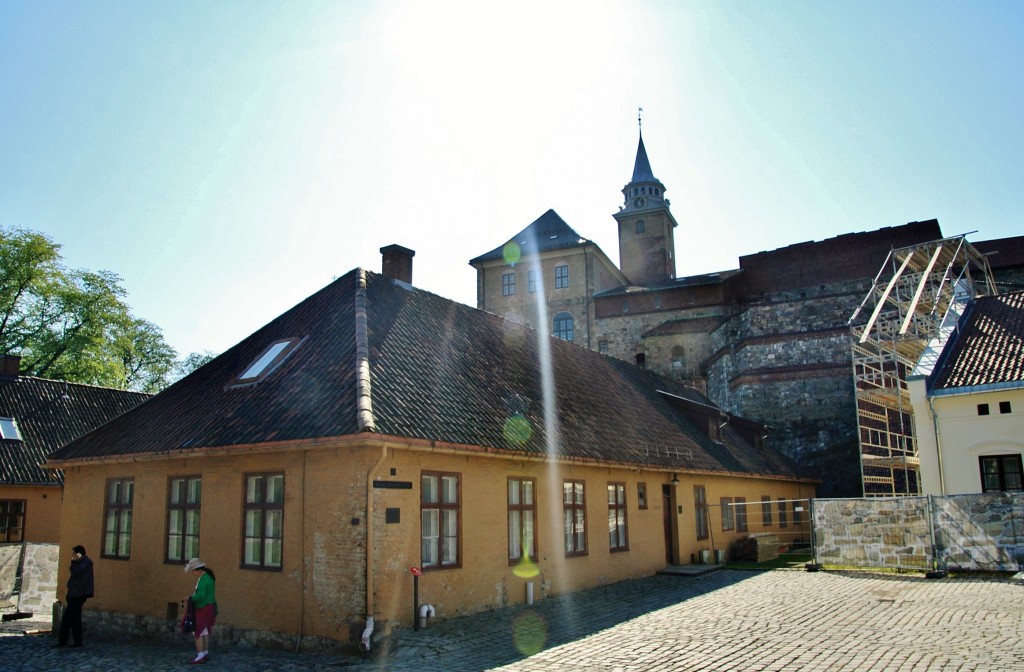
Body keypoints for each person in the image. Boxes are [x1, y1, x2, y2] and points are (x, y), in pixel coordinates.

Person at [57, 544, 94, 647]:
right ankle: (77, 642)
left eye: (74, 554)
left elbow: (75, 572)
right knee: (75, 619)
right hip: (76, 594)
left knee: (67, 619)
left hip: (78, 595)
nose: (72, 556)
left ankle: (63, 641)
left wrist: (73, 562)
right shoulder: (83, 562)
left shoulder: (85, 563)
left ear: (79, 554)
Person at [184, 557, 217, 664]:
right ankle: (205, 652)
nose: (192, 573)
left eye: (192, 570)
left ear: (197, 570)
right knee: (205, 631)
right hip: (209, 606)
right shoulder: (208, 577)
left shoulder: (203, 580)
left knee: (198, 631)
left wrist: (190, 598)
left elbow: (201, 596)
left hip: (202, 608)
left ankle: (200, 655)